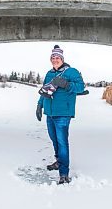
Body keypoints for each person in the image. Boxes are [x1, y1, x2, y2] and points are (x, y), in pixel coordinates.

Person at [35, 44, 85, 184]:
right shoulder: (49, 74)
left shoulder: (72, 72)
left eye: (58, 57)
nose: (55, 59)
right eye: (53, 57)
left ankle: (64, 173)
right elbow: (45, 91)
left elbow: (81, 87)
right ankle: (59, 161)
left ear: (62, 59)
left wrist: (67, 85)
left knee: (62, 142)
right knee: (54, 139)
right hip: (49, 113)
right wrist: (39, 105)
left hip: (63, 113)